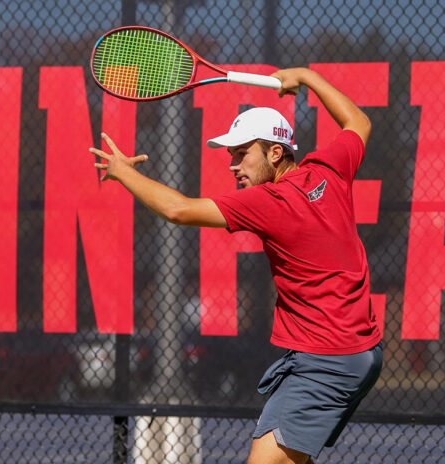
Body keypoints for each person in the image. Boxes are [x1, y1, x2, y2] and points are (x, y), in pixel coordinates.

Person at [90, 67, 383, 464]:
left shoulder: (271, 203)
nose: (233, 165)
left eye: (242, 154)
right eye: (231, 155)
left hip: (327, 359)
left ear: (275, 153)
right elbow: (358, 122)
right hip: (358, 352)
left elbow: (179, 210)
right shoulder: (328, 170)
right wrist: (308, 77)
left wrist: (125, 173)